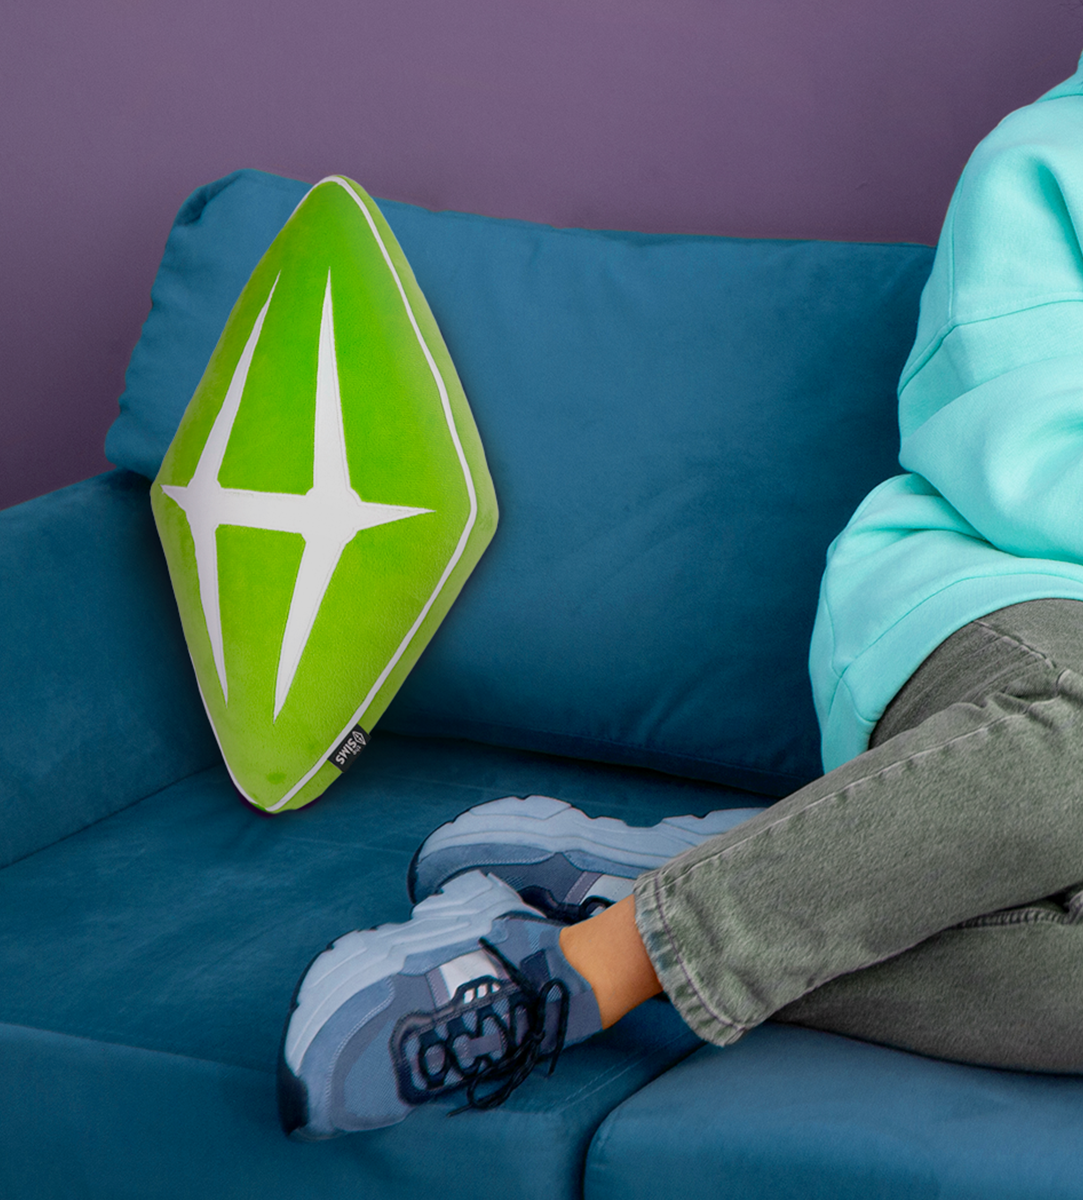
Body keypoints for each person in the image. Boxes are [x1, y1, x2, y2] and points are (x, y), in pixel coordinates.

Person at [277, 57, 1083, 1140]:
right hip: (997, 607)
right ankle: (563, 977)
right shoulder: (1041, 164)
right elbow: (1021, 460)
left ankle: (697, 881)